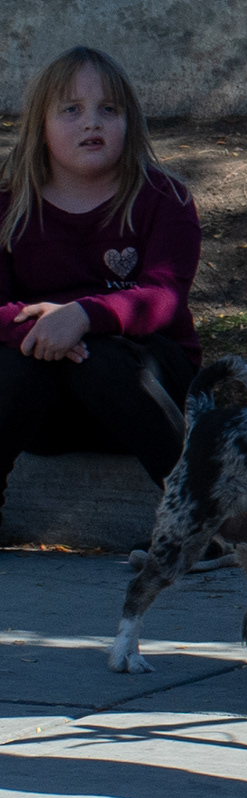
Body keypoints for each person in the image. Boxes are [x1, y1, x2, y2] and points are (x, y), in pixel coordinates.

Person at [0, 46, 197, 516]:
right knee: (19, 363)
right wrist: (40, 331)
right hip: (46, 408)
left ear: (128, 122)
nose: (93, 122)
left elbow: (163, 296)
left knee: (102, 359)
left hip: (147, 389)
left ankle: (198, 518)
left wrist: (84, 316)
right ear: (41, 127)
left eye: (109, 110)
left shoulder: (163, 199)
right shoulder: (9, 205)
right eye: (72, 110)